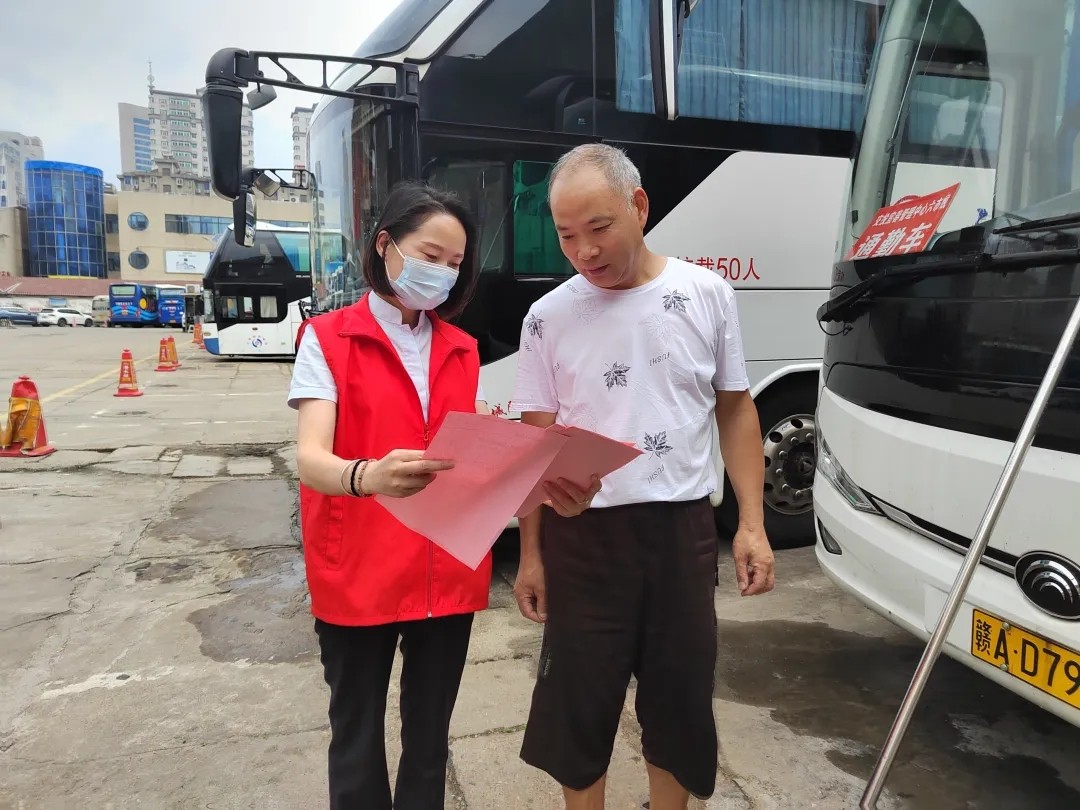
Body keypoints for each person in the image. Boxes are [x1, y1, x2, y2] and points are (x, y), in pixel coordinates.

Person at [511, 144, 777, 810]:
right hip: (582, 541)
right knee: (578, 704)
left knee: (679, 700)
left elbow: (735, 408)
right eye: (566, 235)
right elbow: (534, 445)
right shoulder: (547, 317)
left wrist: (751, 524)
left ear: (639, 206)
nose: (584, 251)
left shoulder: (705, 294)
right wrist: (532, 554)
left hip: (680, 535)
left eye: (599, 228)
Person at [287, 181, 493, 810]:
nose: (443, 274)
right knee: (356, 736)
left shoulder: (462, 348)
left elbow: (464, 448)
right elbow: (310, 459)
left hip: (445, 566)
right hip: (359, 565)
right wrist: (368, 476)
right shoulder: (328, 339)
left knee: (429, 740)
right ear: (385, 245)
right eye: (431, 256)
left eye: (455, 264)